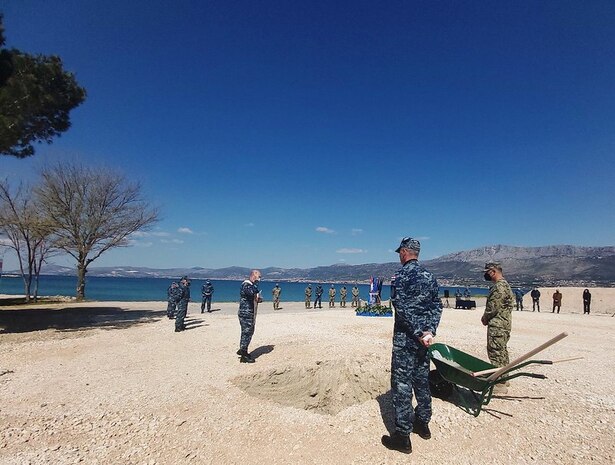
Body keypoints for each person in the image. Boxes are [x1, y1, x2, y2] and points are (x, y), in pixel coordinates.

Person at [381, 237, 442, 454]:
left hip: (406, 341)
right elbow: (437, 306)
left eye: (400, 252)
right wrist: (429, 331)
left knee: (402, 385)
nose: (399, 255)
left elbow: (401, 307)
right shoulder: (430, 276)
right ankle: (423, 423)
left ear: (405, 252)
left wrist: (417, 333)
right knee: (422, 379)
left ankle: (403, 436)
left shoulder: (400, 276)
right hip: (424, 340)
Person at [480, 262, 514, 391]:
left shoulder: (499, 287)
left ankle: (499, 383)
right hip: (504, 324)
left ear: (493, 272)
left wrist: (485, 318)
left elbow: (493, 307)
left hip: (498, 325)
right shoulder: (505, 285)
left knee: (495, 352)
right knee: (502, 352)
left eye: (487, 272)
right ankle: (504, 378)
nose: (486, 275)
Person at [237, 270, 262, 363]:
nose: (259, 279)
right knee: (246, 333)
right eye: (258, 277)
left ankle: (243, 349)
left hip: (250, 312)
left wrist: (258, 299)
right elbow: (251, 292)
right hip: (245, 313)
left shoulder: (250, 286)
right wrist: (255, 285)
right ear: (253, 276)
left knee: (249, 332)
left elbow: (253, 295)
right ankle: (244, 355)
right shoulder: (246, 285)